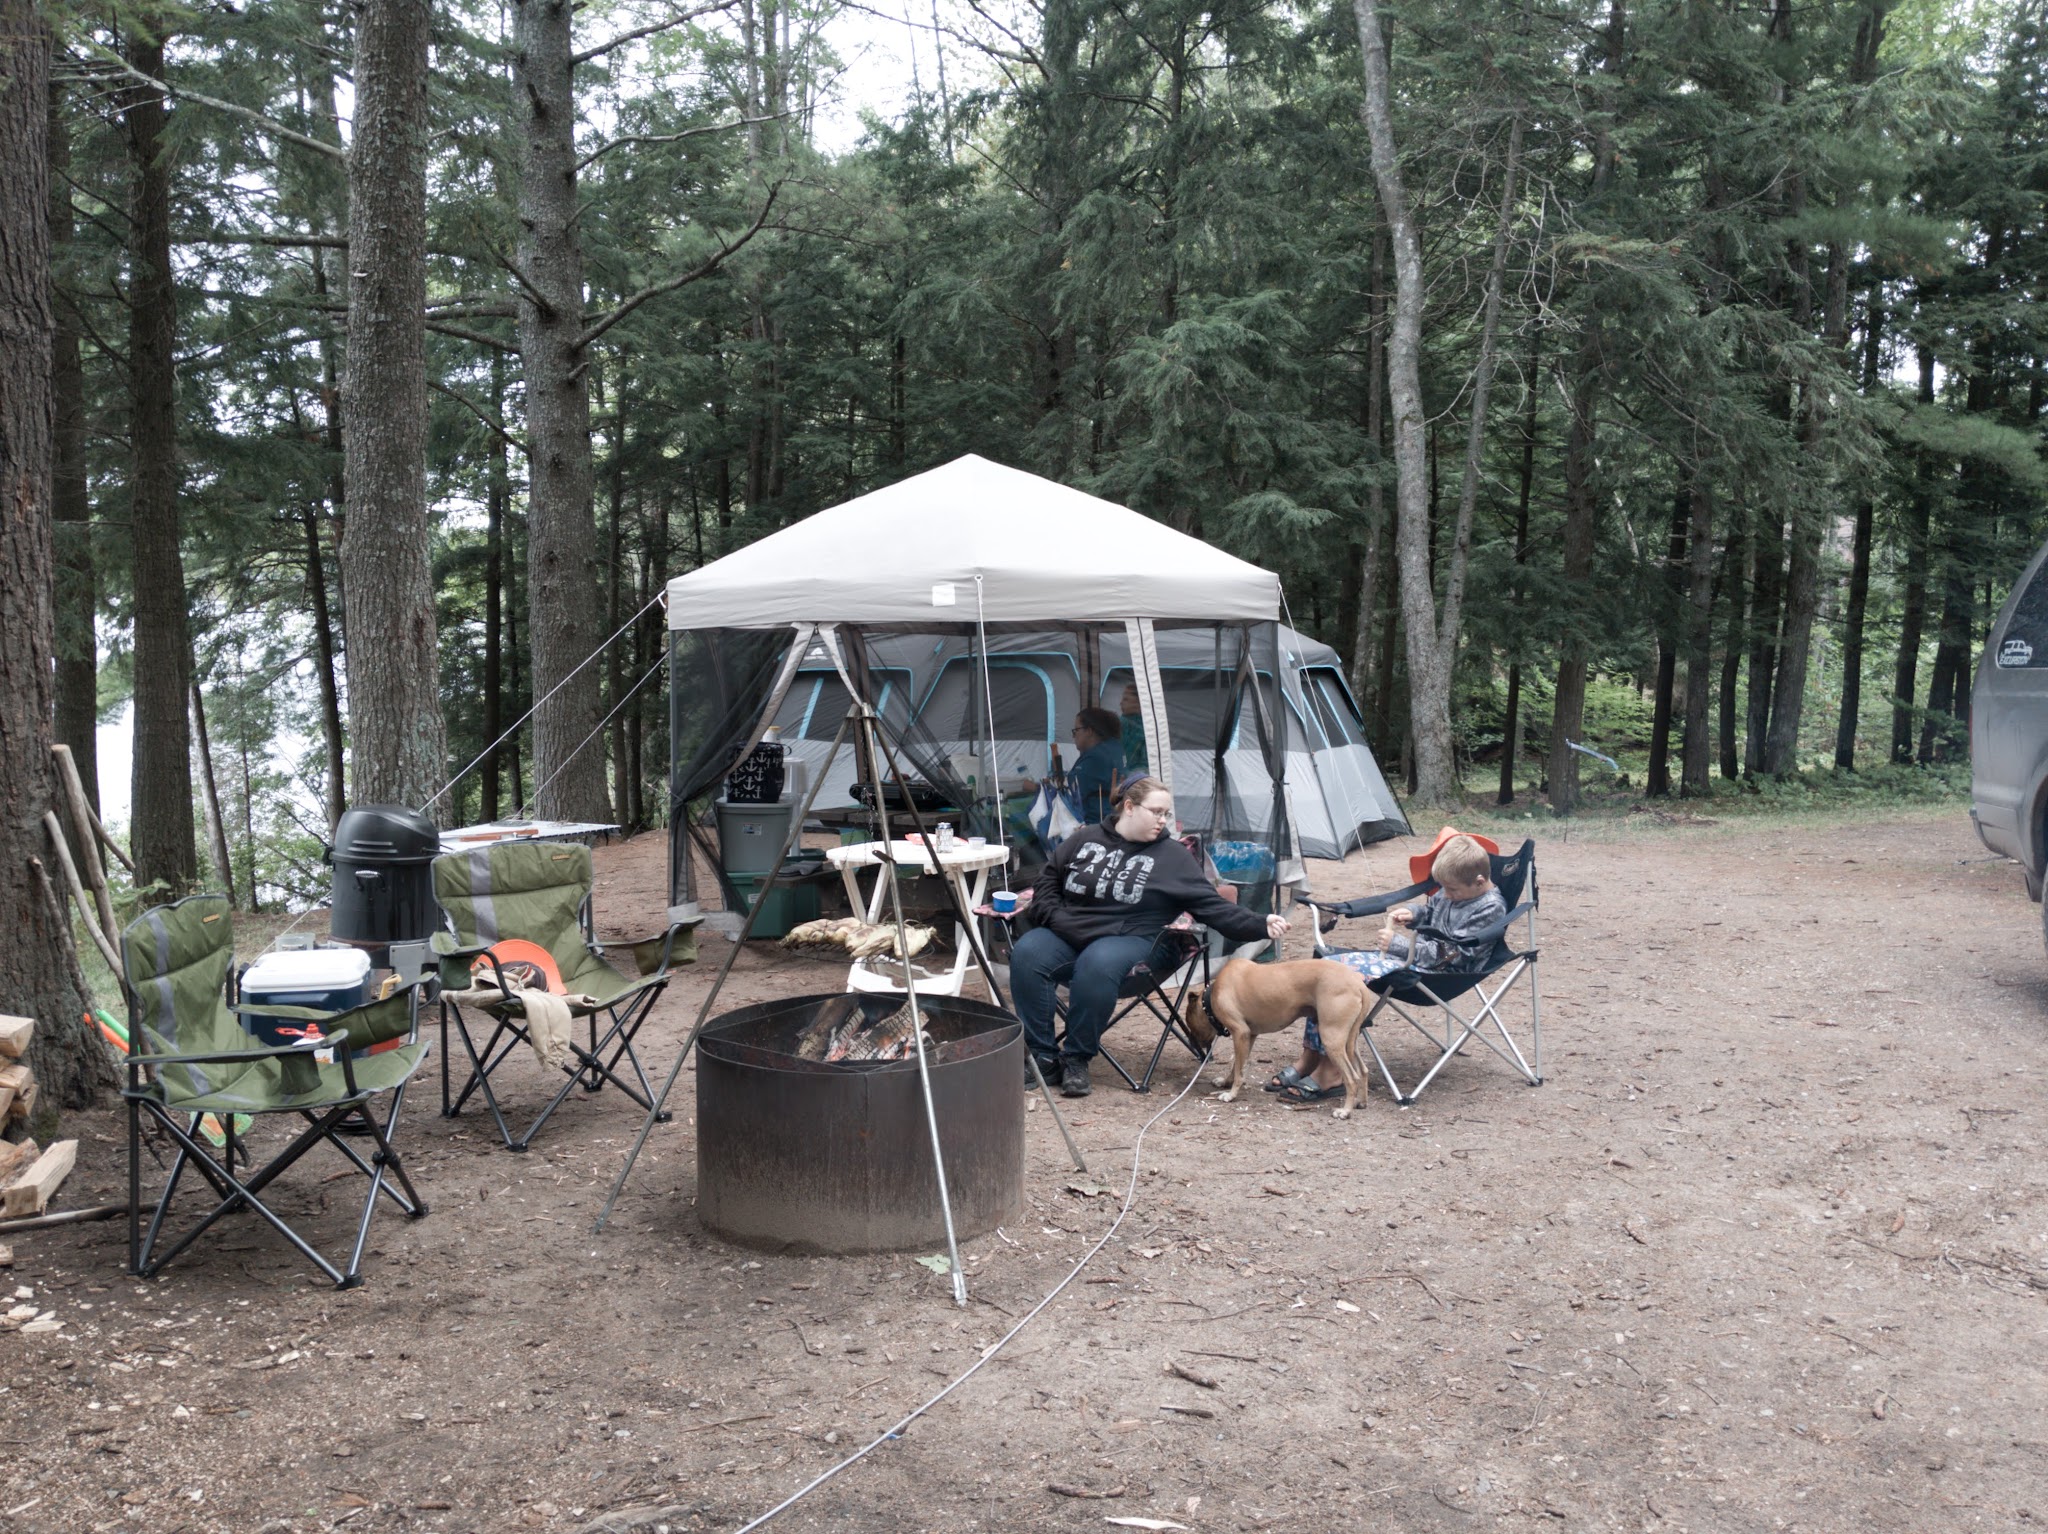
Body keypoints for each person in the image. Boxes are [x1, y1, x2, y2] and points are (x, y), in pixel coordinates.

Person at [1013, 777, 1287, 1097]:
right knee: (1028, 952)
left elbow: (1211, 905)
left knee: (1098, 961)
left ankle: (1076, 1057)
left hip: (1141, 943)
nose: (1162, 820)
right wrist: (1057, 920)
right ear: (1129, 807)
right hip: (1070, 934)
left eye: (1166, 814)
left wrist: (1259, 923)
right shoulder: (1084, 839)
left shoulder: (1173, 857)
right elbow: (1048, 883)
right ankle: (1044, 1056)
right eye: (1156, 812)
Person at [1267, 832, 1506, 1103]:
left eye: (1452, 891)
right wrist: (1415, 913)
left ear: (1479, 882)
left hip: (1439, 974)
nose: (1446, 896)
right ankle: (1311, 1057)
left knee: (1332, 981)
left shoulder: (1490, 909)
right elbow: (1433, 911)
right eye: (1443, 890)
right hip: (1414, 959)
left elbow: (1450, 955)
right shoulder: (1453, 891)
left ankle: (1332, 1072)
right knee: (1323, 968)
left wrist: (1399, 945)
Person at [1065, 706, 1125, 823]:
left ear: (1089, 731)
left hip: (1096, 824)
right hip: (1115, 818)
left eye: (1076, 730)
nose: (1074, 736)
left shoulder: (1095, 757)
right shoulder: (1115, 747)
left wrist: (1036, 787)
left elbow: (1071, 791)